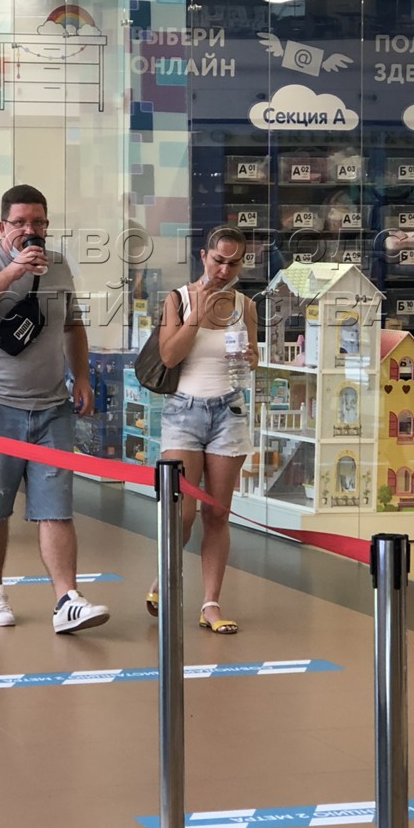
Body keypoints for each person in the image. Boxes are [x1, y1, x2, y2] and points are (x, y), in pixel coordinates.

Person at [0, 184, 107, 633]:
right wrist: (14, 270)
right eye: (19, 223)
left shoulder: (59, 265)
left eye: (37, 222)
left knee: (56, 507)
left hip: (52, 406)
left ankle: (67, 599)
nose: (29, 230)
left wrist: (82, 376)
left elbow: (72, 324)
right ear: (3, 226)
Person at [148, 225, 258, 633]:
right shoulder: (177, 299)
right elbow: (169, 355)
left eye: (234, 263)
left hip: (229, 411)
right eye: (218, 260)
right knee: (183, 512)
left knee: (217, 513)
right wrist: (198, 312)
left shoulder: (246, 305)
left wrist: (251, 356)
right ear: (203, 257)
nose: (224, 270)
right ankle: (164, 579)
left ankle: (211, 603)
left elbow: (252, 357)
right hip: (184, 411)